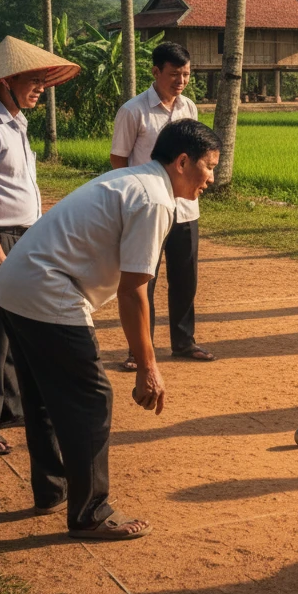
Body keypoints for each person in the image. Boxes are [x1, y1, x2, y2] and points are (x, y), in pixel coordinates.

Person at [0, 119, 221, 539]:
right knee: (91, 399)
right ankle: (90, 512)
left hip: (16, 286)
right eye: (209, 166)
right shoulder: (154, 200)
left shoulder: (136, 181)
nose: (212, 177)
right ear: (183, 162)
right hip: (46, 291)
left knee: (41, 396)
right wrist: (148, 366)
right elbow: (134, 291)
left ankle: (52, 491)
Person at [0, 36, 79, 456]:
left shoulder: (15, 122)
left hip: (24, 235)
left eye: (44, 80)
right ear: (6, 80)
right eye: (33, 79)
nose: (41, 87)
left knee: (15, 325)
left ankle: (9, 407)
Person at [110, 42, 214, 367]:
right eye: (174, 74)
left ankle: (184, 342)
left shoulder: (189, 108)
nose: (180, 80)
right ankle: (139, 350)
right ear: (155, 72)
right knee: (144, 279)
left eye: (185, 74)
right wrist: (130, 200)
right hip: (148, 209)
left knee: (185, 278)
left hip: (185, 209)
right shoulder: (133, 110)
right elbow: (119, 158)